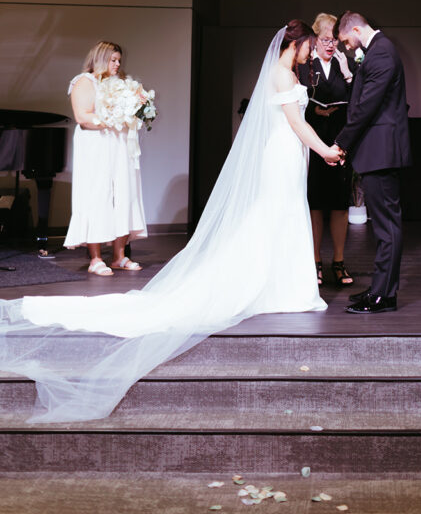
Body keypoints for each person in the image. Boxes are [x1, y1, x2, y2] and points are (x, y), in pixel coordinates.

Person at [0, 21, 341, 423]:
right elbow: (297, 123)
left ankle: (276, 278)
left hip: (284, 152)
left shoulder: (282, 72)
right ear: (296, 43)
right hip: (286, 150)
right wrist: (325, 151)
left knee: (277, 215)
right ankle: (275, 282)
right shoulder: (283, 73)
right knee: (277, 214)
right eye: (306, 46)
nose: (309, 52)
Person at [334, 11, 411, 314]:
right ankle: (381, 288)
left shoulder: (381, 52)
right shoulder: (376, 52)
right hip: (377, 149)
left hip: (381, 149)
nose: (348, 47)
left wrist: (341, 142)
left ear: (355, 29)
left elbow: (367, 106)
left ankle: (385, 296)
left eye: (346, 41)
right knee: (382, 225)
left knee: (386, 225)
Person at [64, 41, 147, 275]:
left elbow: (129, 110)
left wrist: (137, 109)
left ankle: (119, 256)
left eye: (119, 60)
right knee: (96, 195)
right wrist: (110, 118)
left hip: (119, 145)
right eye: (113, 60)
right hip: (96, 145)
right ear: (100, 59)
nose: (118, 64)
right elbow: (83, 116)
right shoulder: (84, 81)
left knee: (123, 193)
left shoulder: (120, 83)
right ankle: (96, 258)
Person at [299, 13, 354, 288]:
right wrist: (315, 109)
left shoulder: (345, 64)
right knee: (316, 204)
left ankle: (340, 261)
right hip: (315, 141)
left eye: (334, 40)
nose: (330, 45)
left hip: (339, 139)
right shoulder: (306, 67)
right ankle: (315, 261)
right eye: (325, 40)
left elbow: (357, 102)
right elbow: (297, 104)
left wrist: (347, 74)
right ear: (315, 40)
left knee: (340, 203)